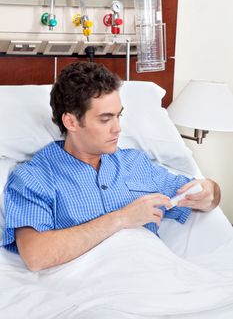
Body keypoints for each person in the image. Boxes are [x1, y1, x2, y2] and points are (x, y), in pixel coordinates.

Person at [2, 62, 220, 272]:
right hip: (92, 290)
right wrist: (122, 218)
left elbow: (203, 197)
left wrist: (210, 190)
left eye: (119, 116)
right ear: (71, 122)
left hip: (155, 276)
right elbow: (36, 256)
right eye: (105, 119)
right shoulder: (34, 177)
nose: (118, 129)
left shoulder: (136, 163)